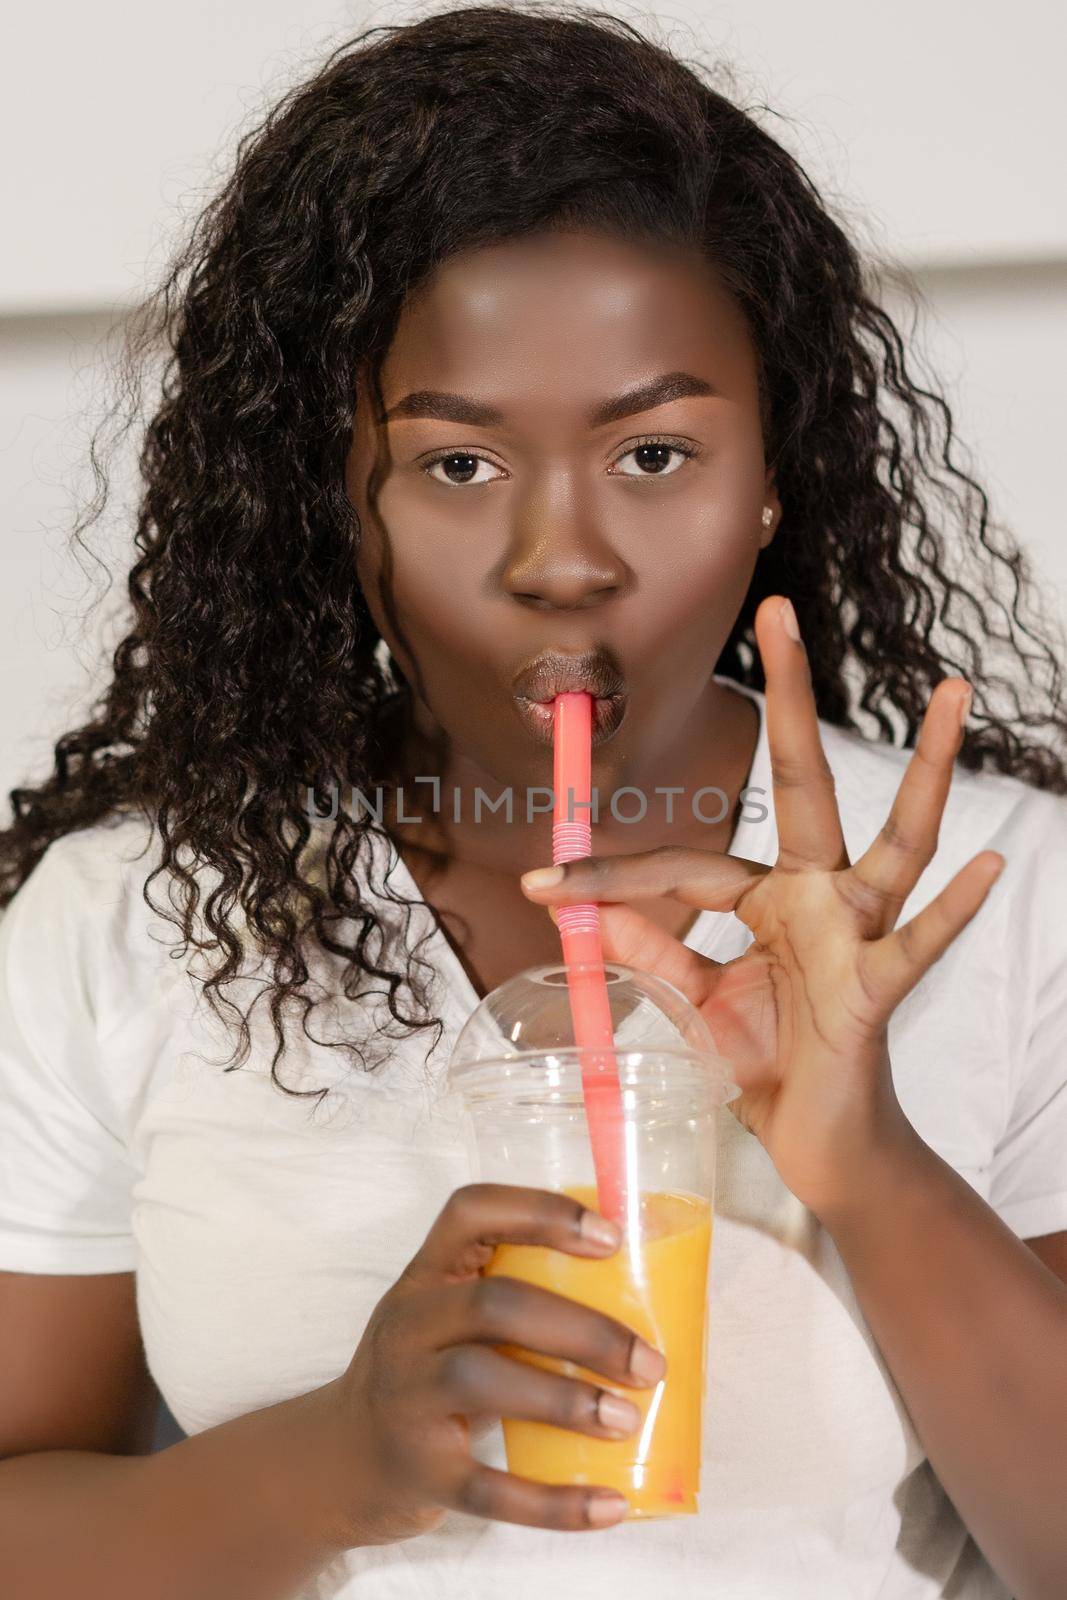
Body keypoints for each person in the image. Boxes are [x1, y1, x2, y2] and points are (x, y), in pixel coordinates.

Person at [0, 5, 1065, 1597]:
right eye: (457, 466)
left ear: (771, 469)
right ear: (331, 493)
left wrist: (866, 1159)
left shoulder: (1007, 885)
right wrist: (330, 1461)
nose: (562, 558)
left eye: (652, 453)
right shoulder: (131, 916)